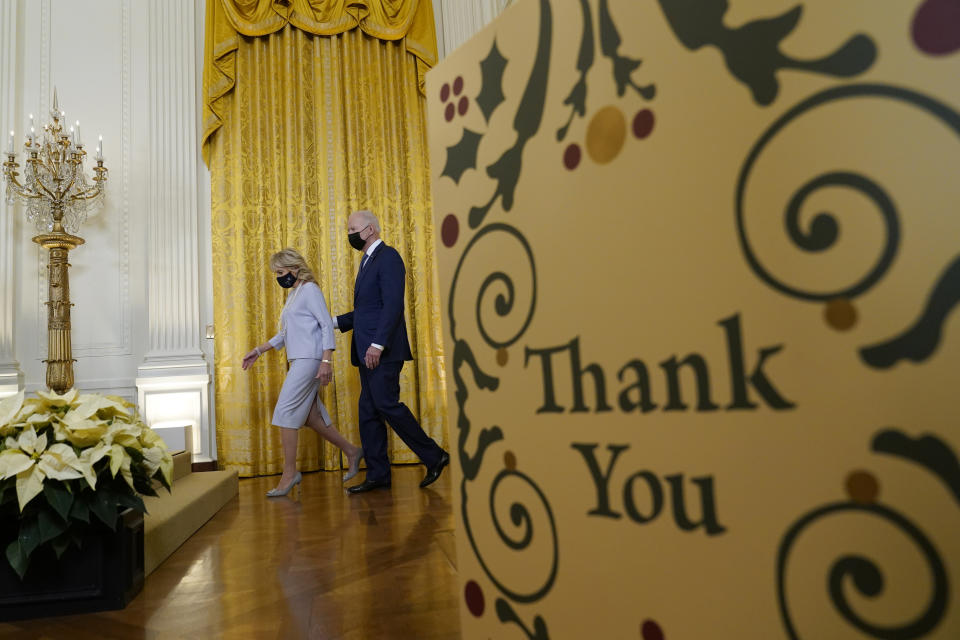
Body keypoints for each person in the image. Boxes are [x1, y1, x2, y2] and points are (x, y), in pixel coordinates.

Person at [335, 210, 449, 494]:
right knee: (368, 412)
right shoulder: (367, 261)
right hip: (368, 350)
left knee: (386, 405)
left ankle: (435, 455)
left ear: (370, 229)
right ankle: (378, 474)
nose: (349, 233)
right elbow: (366, 311)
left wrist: (377, 344)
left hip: (381, 350)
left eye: (353, 228)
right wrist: (334, 322)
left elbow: (392, 305)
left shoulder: (388, 257)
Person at [242, 248, 363, 497]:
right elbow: (287, 333)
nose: (278, 277)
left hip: (310, 359)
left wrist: (326, 361)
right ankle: (352, 451)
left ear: (295, 268)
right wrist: (259, 350)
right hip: (299, 358)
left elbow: (325, 324)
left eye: (280, 272)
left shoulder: (309, 290)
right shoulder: (295, 294)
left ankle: (289, 474)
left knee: (285, 412)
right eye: (276, 273)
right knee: (311, 417)